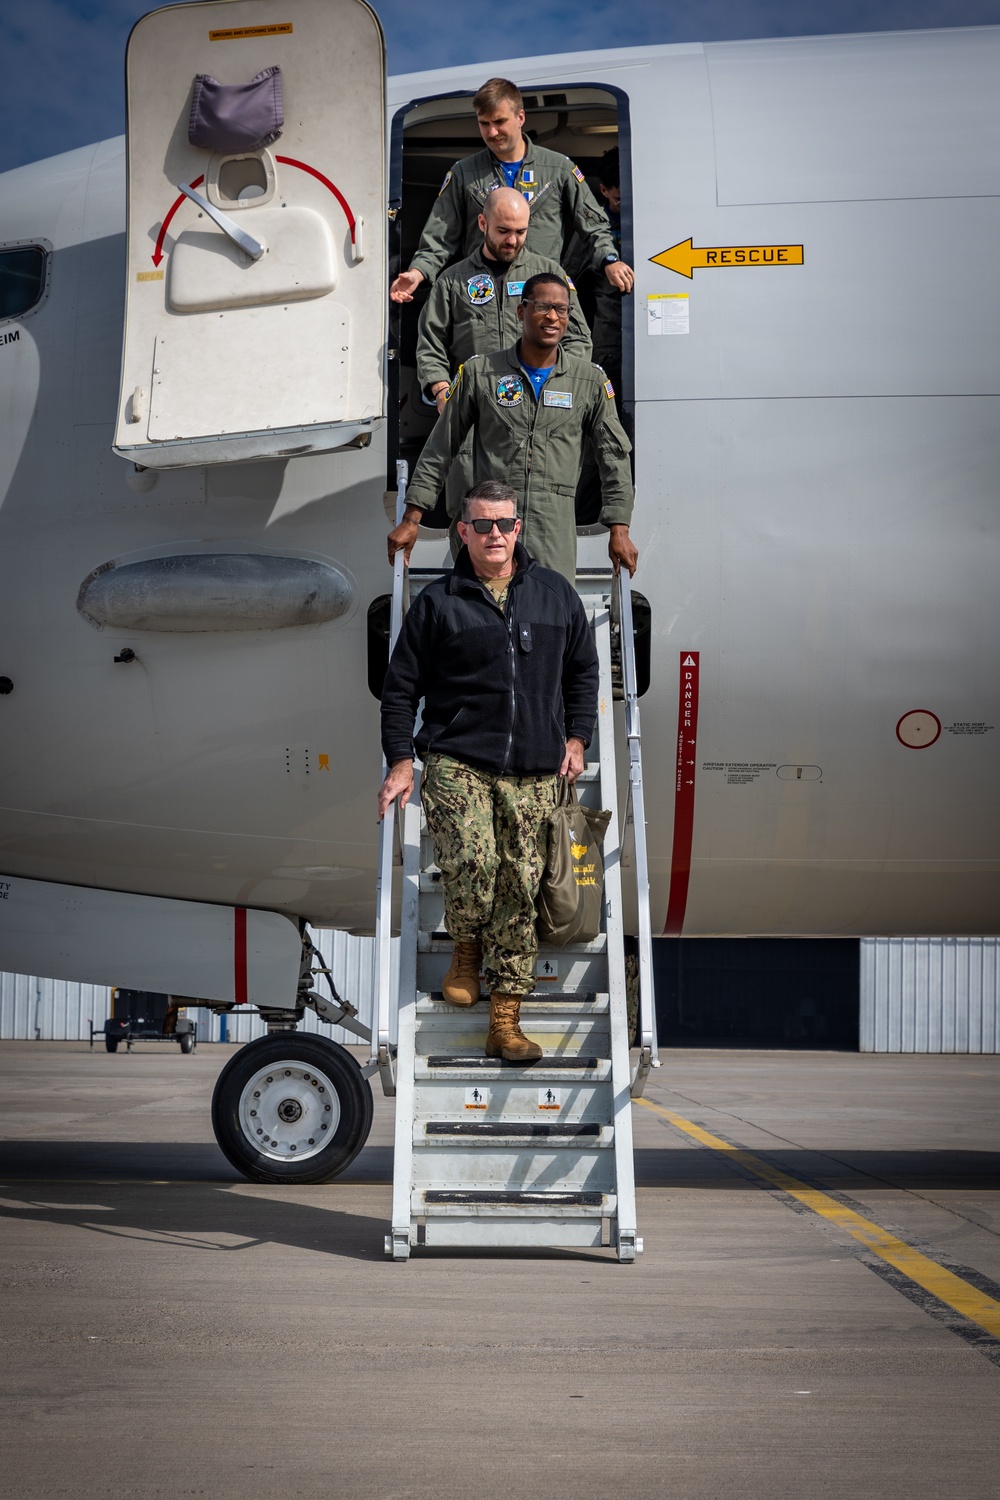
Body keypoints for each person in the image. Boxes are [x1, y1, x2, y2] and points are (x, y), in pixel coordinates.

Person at [378, 482, 599, 1062]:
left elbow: (583, 673)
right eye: (482, 525)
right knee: (473, 861)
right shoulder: (438, 603)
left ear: (518, 529)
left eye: (503, 524)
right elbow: (400, 688)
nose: (494, 534)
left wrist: (577, 737)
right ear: (463, 532)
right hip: (458, 760)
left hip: (534, 767)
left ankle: (505, 1020)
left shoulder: (555, 596)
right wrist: (402, 760)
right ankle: (467, 949)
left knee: (521, 884)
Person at [388, 273, 638, 585]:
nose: (552, 317)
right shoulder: (481, 374)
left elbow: (613, 457)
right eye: (543, 307)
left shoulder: (589, 382)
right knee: (482, 618)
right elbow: (441, 446)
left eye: (562, 310)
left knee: (550, 615)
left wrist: (619, 528)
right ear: (521, 312)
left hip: (552, 531)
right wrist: (412, 518)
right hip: (491, 530)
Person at [416, 186, 592, 520]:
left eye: (521, 231)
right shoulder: (453, 281)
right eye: (503, 231)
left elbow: (579, 339)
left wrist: (558, 388)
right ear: (482, 223)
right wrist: (441, 389)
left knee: (536, 516)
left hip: (535, 415)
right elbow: (430, 342)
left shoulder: (550, 276)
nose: (512, 240)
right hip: (473, 418)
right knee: (472, 517)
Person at [390, 77, 634, 304]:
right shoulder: (464, 173)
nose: (491, 132)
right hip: (483, 299)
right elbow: (439, 238)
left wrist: (608, 260)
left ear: (520, 117)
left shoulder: (559, 168)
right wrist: (418, 272)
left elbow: (594, 227)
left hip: (542, 300)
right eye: (484, 123)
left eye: (499, 122)